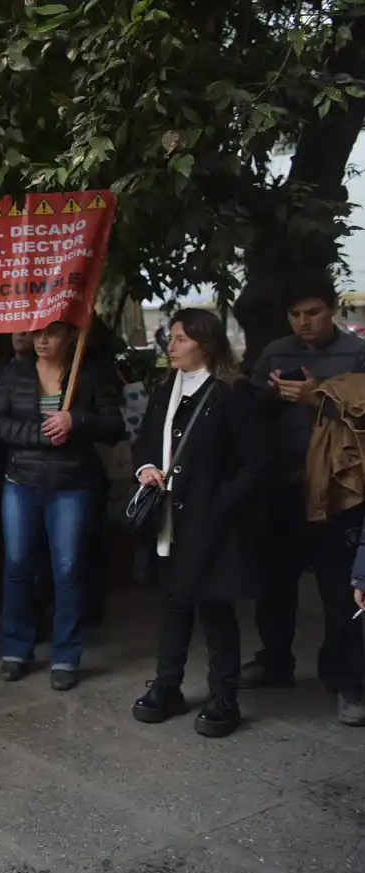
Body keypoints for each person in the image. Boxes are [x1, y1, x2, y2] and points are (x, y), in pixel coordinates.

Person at [129, 310, 267, 737]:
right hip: (171, 520)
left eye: (181, 338)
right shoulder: (164, 389)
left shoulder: (231, 394)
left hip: (213, 522)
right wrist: (147, 468)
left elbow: (257, 464)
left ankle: (224, 696)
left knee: (215, 607)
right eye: (170, 337)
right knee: (174, 605)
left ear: (204, 344)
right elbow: (147, 441)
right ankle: (167, 684)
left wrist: (220, 505)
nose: (171, 345)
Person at [242, 272, 365, 726]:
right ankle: (275, 660)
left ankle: (347, 681)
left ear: (331, 309)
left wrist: (319, 397)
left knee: (339, 589)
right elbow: (250, 410)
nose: (304, 322)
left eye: (312, 312)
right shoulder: (276, 351)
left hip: (337, 489)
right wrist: (274, 397)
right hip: (282, 483)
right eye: (295, 314)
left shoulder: (356, 351)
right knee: (274, 583)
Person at [0, 321, 123, 691]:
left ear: (72, 336)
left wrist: (75, 420)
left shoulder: (92, 374)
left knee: (68, 569)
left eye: (52, 333)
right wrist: (40, 435)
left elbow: (114, 427)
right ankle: (16, 647)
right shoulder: (16, 371)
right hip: (20, 482)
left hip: (72, 485)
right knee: (16, 565)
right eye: (36, 333)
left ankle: (65, 655)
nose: (41, 341)